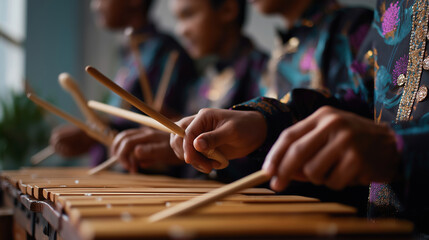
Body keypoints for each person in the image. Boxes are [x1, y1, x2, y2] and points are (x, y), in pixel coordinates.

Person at [170, 0, 429, 233]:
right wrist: (265, 122)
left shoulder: (349, 27)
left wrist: (397, 147)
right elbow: (364, 103)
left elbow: (367, 136)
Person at [111, 0, 268, 178]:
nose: (181, 30)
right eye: (178, 19)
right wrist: (169, 139)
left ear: (227, 9)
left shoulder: (264, 73)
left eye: (188, 15)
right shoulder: (203, 79)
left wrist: (194, 148)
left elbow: (265, 161)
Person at [50, 0, 196, 167]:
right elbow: (120, 117)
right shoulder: (130, 51)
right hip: (120, 171)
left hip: (149, 182)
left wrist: (95, 134)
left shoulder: (167, 52)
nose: (95, 5)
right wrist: (95, 131)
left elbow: (168, 130)